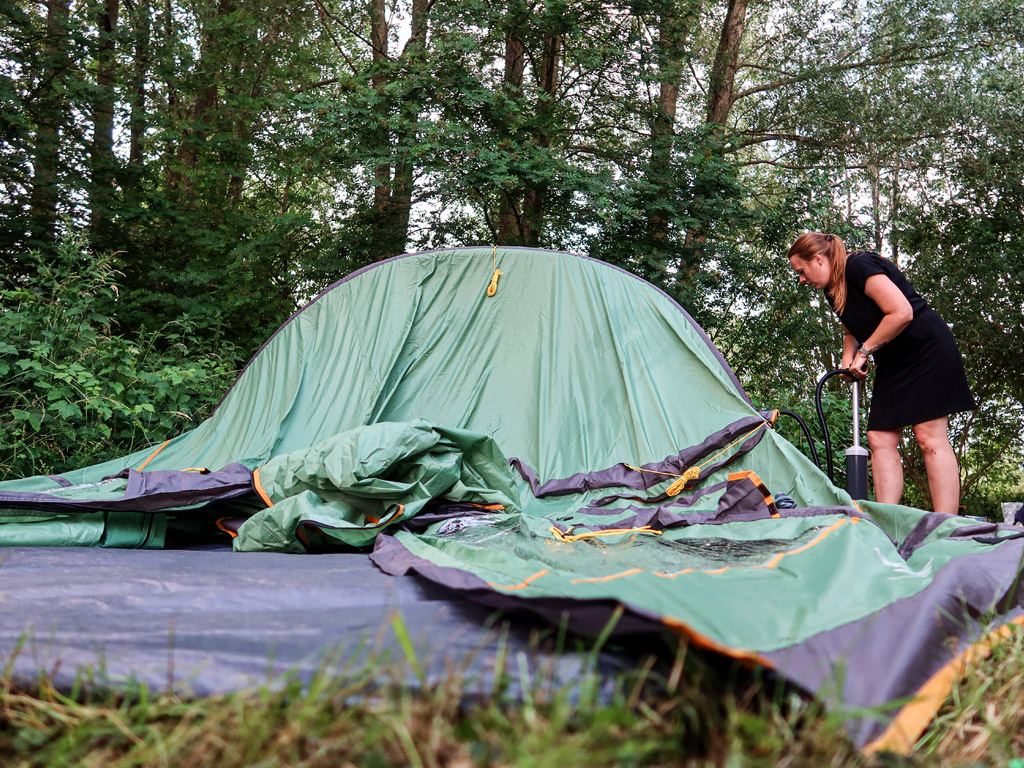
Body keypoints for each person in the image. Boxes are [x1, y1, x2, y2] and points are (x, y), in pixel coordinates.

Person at [787, 232, 975, 515]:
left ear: (818, 259)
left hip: (926, 350)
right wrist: (847, 358)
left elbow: (901, 312)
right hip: (893, 360)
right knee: (879, 438)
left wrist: (865, 352)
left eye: (801, 271)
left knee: (928, 437)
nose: (801, 279)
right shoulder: (831, 287)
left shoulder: (859, 266)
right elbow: (851, 326)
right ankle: (887, 520)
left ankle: (944, 524)